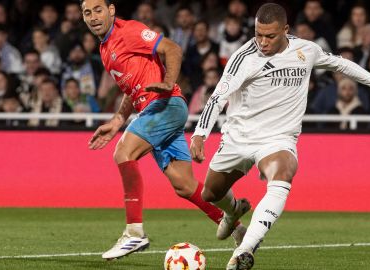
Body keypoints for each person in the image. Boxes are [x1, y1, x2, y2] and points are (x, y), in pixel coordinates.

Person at [190, 3, 370, 270]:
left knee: (283, 173)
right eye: (258, 34)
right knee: (211, 193)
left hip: (278, 139)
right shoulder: (244, 58)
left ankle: (245, 250)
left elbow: (343, 65)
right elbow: (217, 98)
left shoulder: (306, 49)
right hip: (239, 137)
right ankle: (233, 210)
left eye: (270, 36)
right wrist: (200, 134)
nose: (262, 42)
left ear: (286, 30)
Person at [79, 0, 246, 260]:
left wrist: (169, 82)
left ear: (111, 10)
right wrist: (116, 121)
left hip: (165, 105)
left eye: (98, 10)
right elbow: (131, 90)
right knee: (184, 184)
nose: (93, 17)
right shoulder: (105, 47)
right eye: (87, 13)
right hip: (156, 110)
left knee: (123, 153)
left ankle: (134, 233)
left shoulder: (128, 31)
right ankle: (237, 228)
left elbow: (172, 48)